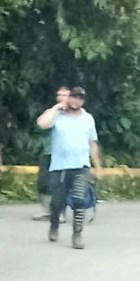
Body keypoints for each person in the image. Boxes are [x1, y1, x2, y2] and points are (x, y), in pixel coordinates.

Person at [36, 86, 101, 249]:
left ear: (83, 101)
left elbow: (92, 142)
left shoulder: (88, 118)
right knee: (57, 201)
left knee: (80, 199)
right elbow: (41, 123)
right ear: (69, 98)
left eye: (80, 98)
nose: (76, 100)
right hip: (60, 166)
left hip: (81, 165)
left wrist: (97, 165)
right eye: (74, 97)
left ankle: (77, 234)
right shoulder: (58, 116)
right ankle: (54, 224)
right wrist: (57, 107)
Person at [33, 86, 70, 220]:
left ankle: (60, 212)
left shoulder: (75, 114)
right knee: (43, 182)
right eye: (59, 95)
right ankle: (47, 210)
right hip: (49, 152)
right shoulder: (53, 112)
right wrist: (55, 108)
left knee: (59, 184)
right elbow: (41, 124)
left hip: (65, 155)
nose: (61, 97)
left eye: (64, 95)